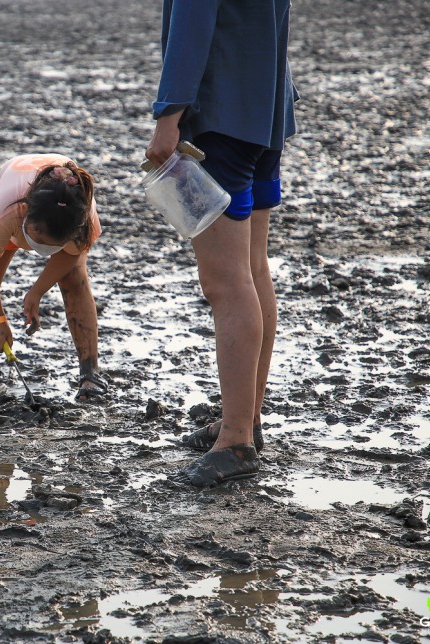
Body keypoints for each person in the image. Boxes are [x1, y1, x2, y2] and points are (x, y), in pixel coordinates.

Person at [145, 0, 299, 487]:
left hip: (222, 114)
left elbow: (193, 21)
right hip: (267, 108)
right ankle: (246, 417)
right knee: (253, 267)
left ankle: (235, 441)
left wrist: (169, 114)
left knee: (225, 281)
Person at [0, 154, 107, 402]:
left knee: (74, 279)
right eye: (37, 239)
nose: (40, 249)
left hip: (64, 210)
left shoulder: (82, 219)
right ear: (27, 214)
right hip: (14, 186)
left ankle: (90, 373)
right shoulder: (6, 213)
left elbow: (69, 257)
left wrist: (37, 291)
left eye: (52, 246)